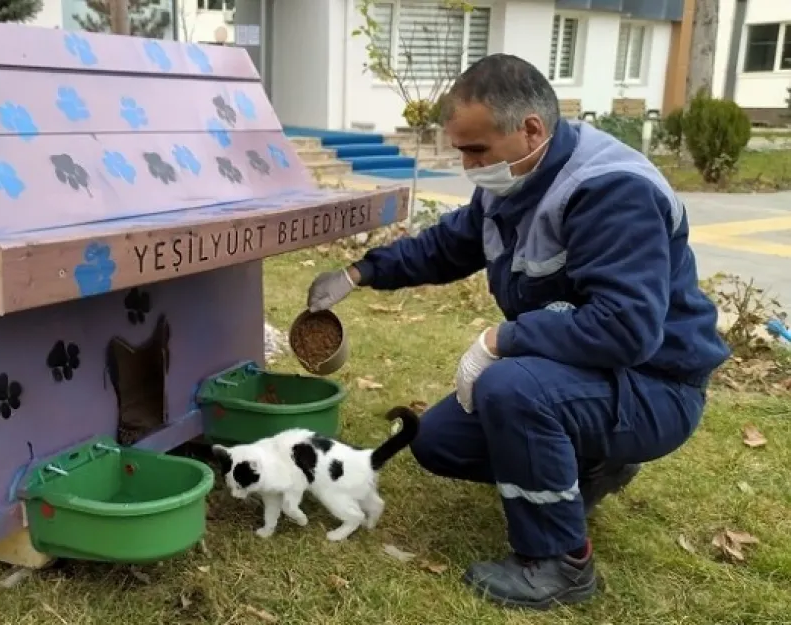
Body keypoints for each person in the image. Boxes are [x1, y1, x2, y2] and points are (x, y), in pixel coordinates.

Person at [305, 54, 730, 610]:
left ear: (530, 128)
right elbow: (447, 245)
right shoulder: (514, 181)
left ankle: (559, 562)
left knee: (511, 388)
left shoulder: (612, 192)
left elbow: (628, 327)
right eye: (460, 150)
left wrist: (500, 341)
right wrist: (359, 274)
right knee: (435, 440)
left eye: (475, 150)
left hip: (654, 384)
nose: (468, 166)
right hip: (587, 375)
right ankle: (590, 465)